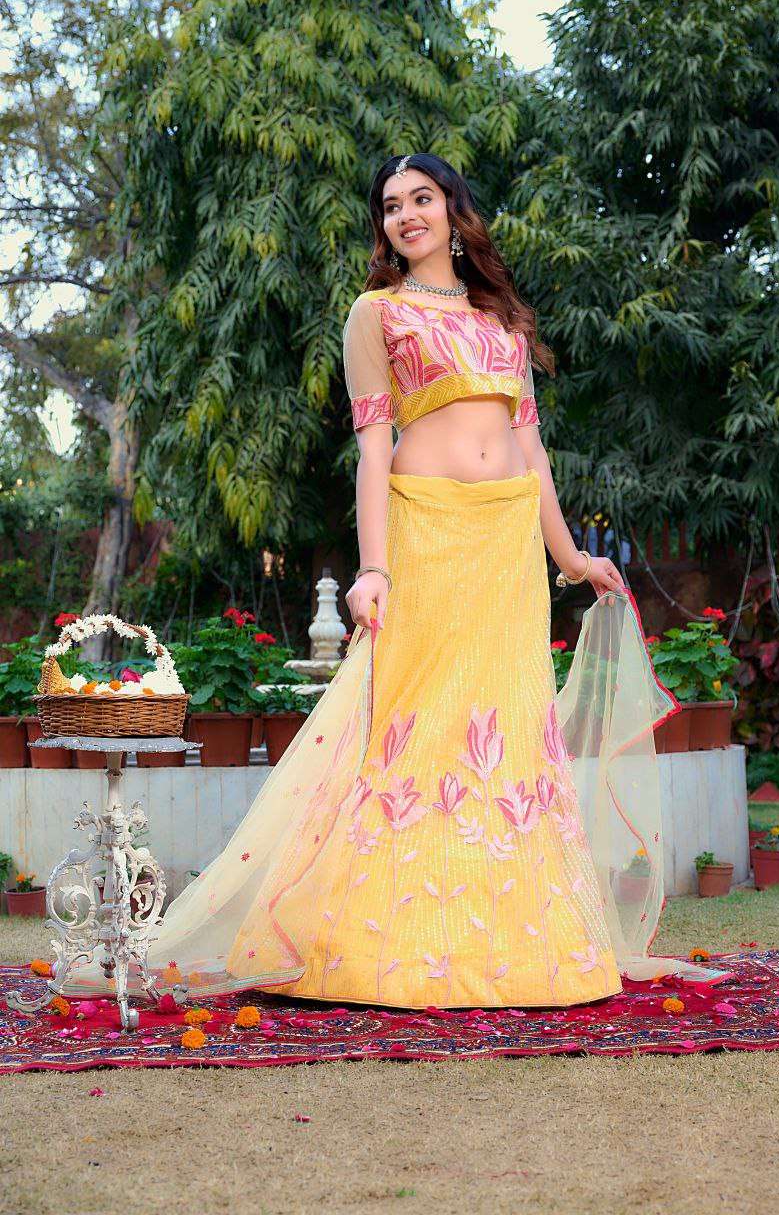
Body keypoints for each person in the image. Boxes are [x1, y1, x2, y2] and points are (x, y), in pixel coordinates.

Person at [61, 153, 731, 1006]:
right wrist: (373, 566)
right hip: (427, 532)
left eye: (422, 199)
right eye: (390, 205)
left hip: (506, 546)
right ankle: (375, 945)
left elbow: (531, 448)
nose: (407, 215)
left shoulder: (502, 320)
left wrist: (568, 557)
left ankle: (516, 946)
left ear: (454, 210)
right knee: (415, 725)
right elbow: (373, 449)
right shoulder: (375, 313)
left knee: (505, 726)